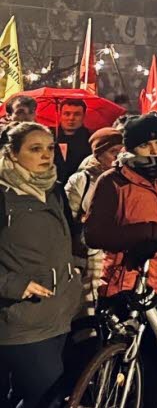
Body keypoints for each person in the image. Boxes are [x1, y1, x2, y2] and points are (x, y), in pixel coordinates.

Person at [85, 113, 157, 408]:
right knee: (117, 351)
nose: (153, 149)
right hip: (123, 277)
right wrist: (147, 233)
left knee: (152, 355)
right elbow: (95, 233)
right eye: (145, 144)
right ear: (130, 147)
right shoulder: (112, 180)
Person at [0, 122, 83, 407]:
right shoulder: (3, 195)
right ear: (11, 153)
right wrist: (14, 285)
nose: (46, 155)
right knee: (47, 400)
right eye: (35, 149)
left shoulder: (53, 190)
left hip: (58, 314)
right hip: (20, 321)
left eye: (49, 148)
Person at [65, 127, 123, 307]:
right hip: (92, 254)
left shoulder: (126, 177)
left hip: (121, 252)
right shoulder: (81, 180)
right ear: (98, 154)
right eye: (113, 152)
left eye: (122, 151)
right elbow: (68, 221)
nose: (118, 157)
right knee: (89, 301)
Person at [55, 99, 92, 185]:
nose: (71, 118)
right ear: (60, 115)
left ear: (83, 116)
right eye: (67, 114)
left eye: (77, 114)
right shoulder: (50, 137)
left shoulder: (90, 140)